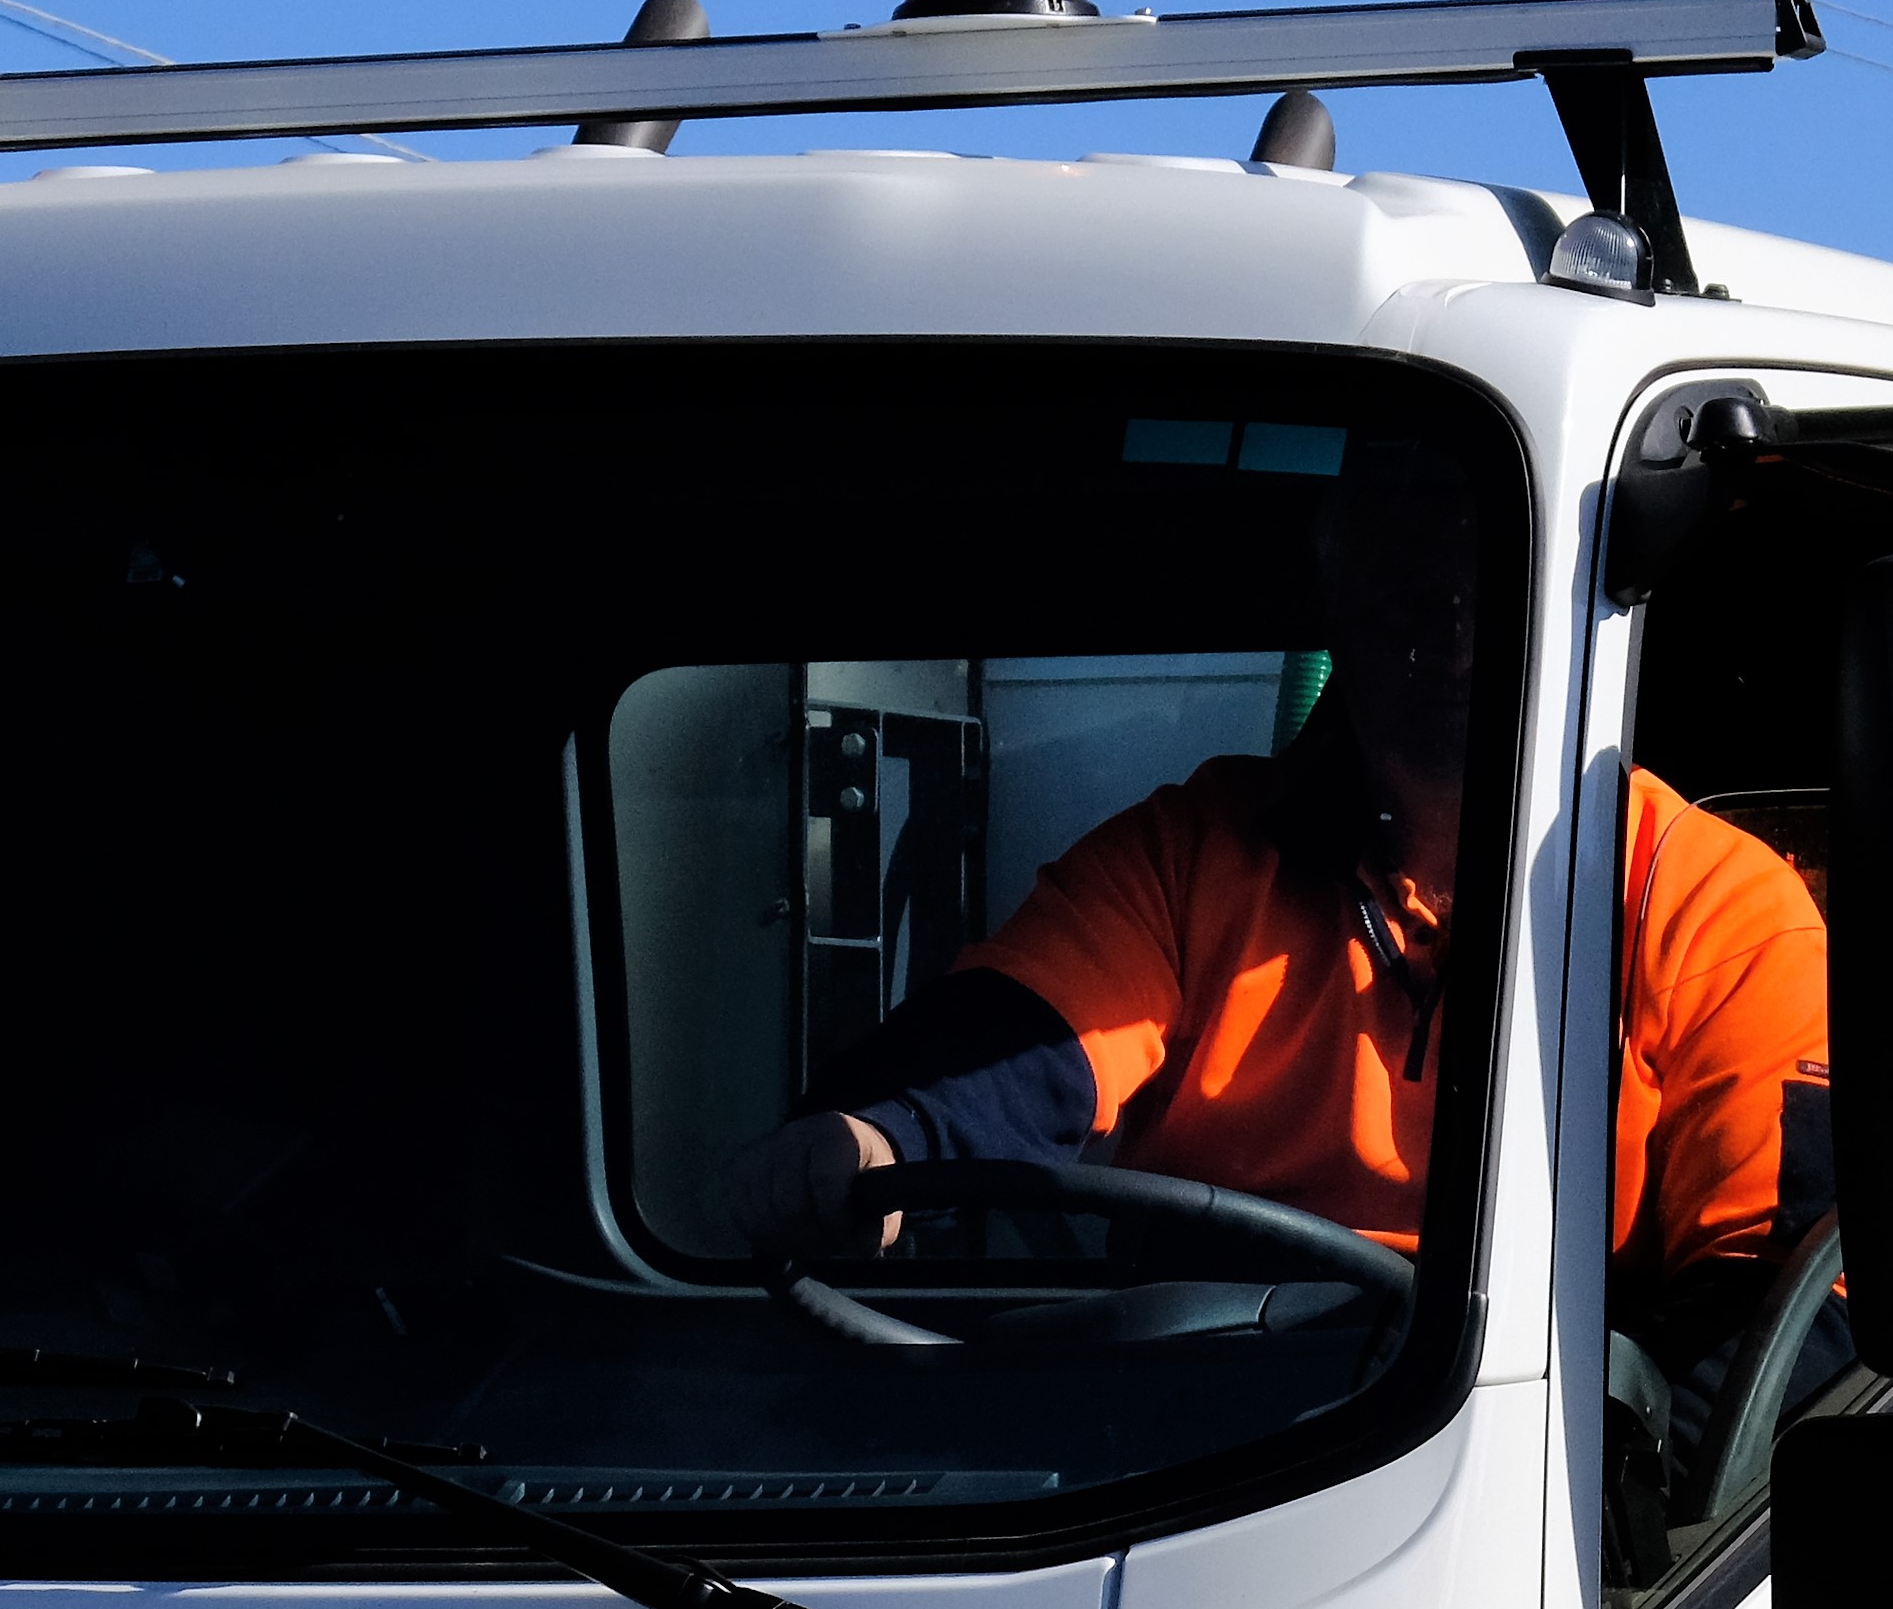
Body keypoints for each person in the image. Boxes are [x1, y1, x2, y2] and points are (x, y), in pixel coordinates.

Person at [719, 445, 1823, 1329]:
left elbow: (1778, 1314)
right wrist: (882, 1136)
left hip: (1527, 1487)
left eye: (1478, 547)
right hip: (1196, 1461)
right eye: (1399, 540)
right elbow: (1014, 1051)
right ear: (1336, 579)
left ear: (1563, 591)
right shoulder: (1190, 857)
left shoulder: (1713, 906)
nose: (1440, 600)